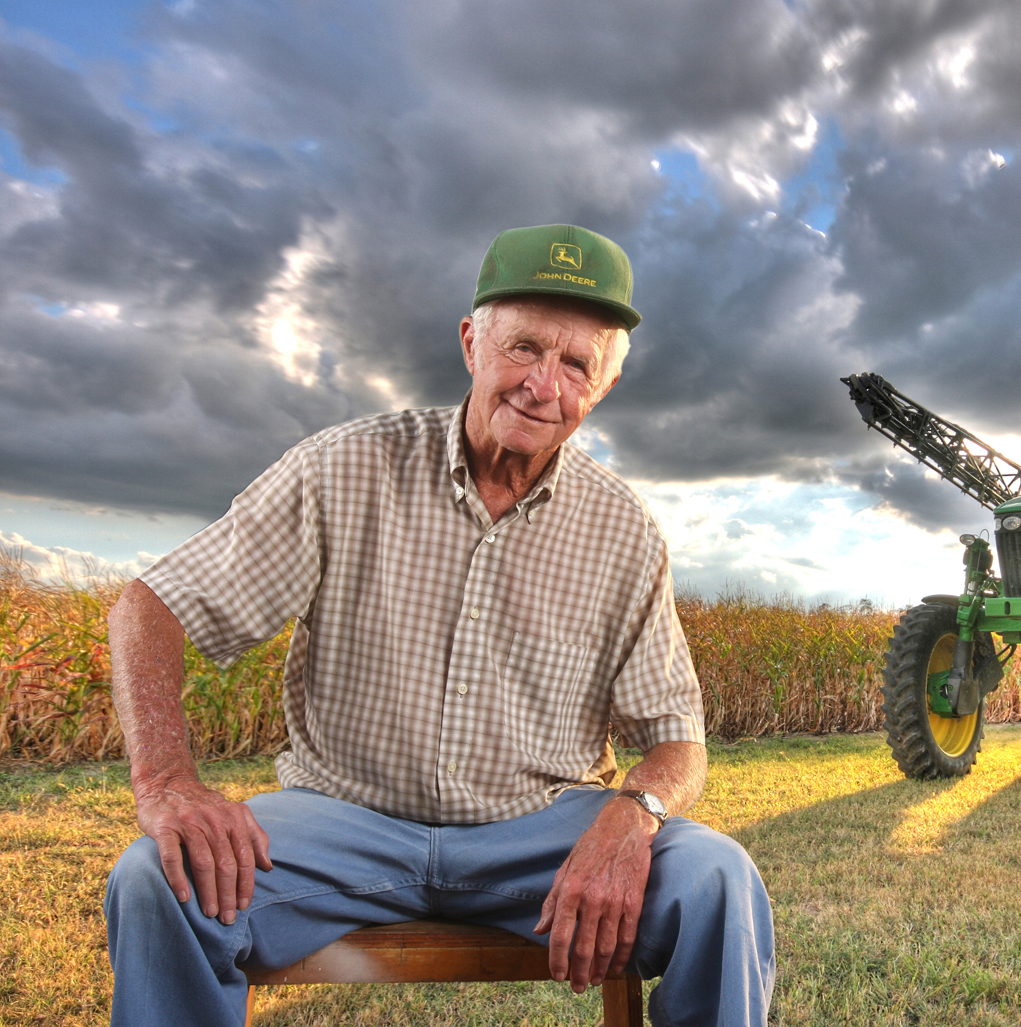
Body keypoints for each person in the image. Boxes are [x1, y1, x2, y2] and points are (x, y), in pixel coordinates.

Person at [103, 225, 775, 1027]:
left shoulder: (624, 529)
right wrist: (168, 782)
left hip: (538, 834)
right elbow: (153, 605)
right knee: (156, 878)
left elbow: (678, 738)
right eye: (524, 347)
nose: (543, 385)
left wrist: (635, 813)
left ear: (605, 386)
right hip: (341, 821)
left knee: (717, 880)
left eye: (575, 365)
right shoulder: (345, 468)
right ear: (470, 342)